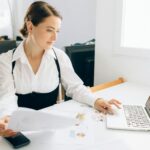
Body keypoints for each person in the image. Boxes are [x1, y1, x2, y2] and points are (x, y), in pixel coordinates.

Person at [0, 1, 121, 137]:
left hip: (48, 131)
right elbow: (6, 97)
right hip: (18, 130)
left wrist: (96, 100)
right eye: (49, 30)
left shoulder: (59, 57)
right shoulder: (6, 61)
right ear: (30, 26)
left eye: (57, 31)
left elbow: (75, 87)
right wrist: (7, 119)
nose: (55, 38)